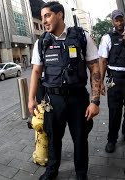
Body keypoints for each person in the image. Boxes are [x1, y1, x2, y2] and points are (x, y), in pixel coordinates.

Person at [28, 2, 100, 180]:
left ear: (60, 15)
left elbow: (95, 68)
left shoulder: (82, 36)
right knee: (53, 138)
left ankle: (81, 174)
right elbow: (36, 72)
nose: (44, 20)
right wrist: (31, 99)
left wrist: (95, 101)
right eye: (43, 16)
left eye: (48, 15)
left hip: (78, 100)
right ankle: (52, 170)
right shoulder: (41, 42)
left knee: (80, 139)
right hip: (53, 100)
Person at [99, 10, 125, 153]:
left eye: (121, 20)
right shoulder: (107, 37)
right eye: (117, 20)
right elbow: (102, 60)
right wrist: (100, 82)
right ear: (113, 22)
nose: (119, 23)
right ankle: (112, 139)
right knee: (115, 111)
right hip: (115, 78)